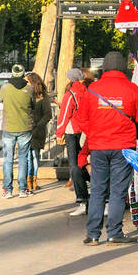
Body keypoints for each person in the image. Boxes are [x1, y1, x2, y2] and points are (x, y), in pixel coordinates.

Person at [75, 51, 138, 244]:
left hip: (98, 147)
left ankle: (92, 234)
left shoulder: (92, 89)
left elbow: (81, 120)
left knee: (98, 190)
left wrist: (95, 132)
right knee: (118, 191)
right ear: (124, 66)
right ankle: (114, 233)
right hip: (123, 147)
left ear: (105, 66)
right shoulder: (132, 88)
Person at [56, 68, 89, 216]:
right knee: (86, 162)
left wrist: (59, 132)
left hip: (73, 130)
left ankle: (82, 200)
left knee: (74, 166)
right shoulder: (87, 92)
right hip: (87, 131)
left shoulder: (70, 94)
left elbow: (64, 114)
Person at [0, 68, 34, 199]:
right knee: (23, 158)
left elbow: (2, 101)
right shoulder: (29, 89)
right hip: (25, 126)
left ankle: (7, 190)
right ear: (24, 75)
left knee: (8, 159)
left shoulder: (5, 88)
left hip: (8, 126)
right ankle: (22, 189)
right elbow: (33, 105)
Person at [25, 72, 51, 193]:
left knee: (34, 156)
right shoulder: (26, 94)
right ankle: (29, 181)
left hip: (37, 130)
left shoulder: (43, 97)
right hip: (27, 129)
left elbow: (47, 115)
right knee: (29, 157)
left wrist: (37, 126)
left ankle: (33, 181)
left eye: (27, 81)